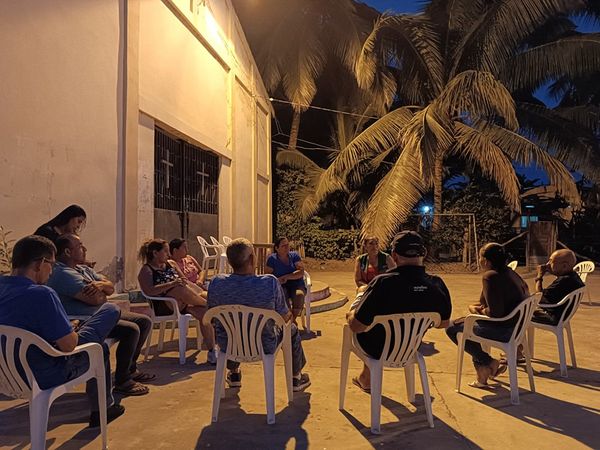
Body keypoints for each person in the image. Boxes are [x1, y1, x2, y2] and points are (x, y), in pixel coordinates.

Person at [0, 235, 124, 428]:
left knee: (99, 347)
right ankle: (102, 410)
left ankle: (104, 408)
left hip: (7, 374)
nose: (51, 271)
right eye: (51, 264)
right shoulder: (42, 294)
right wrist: (72, 331)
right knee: (110, 311)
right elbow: (69, 346)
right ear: (40, 263)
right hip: (46, 373)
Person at [47, 234, 154, 396]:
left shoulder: (82, 269)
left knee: (144, 321)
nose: (85, 249)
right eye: (80, 246)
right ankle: (123, 380)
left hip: (101, 313)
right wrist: (103, 291)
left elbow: (110, 287)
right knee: (131, 330)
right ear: (68, 252)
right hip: (85, 320)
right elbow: (96, 299)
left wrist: (102, 286)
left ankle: (130, 369)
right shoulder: (63, 274)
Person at [346, 231, 452, 392]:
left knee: (362, 322)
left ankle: (366, 378)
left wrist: (352, 312)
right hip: (410, 348)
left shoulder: (382, 284)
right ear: (424, 253)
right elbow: (443, 323)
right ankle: (366, 377)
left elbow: (356, 326)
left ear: (394, 256)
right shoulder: (436, 284)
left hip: (375, 349)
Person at [208, 238, 310, 391]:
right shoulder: (269, 283)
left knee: (230, 330)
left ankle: (234, 373)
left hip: (228, 346)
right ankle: (296, 377)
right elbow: (285, 318)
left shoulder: (216, 283)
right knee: (292, 329)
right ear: (251, 259)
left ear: (229, 261)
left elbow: (211, 317)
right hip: (264, 345)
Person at [446, 243, 530, 387]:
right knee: (468, 325)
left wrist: (476, 310)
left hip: (504, 331)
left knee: (452, 328)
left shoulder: (491, 276)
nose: (479, 260)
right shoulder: (511, 273)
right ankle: (483, 373)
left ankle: (489, 363)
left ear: (486, 261)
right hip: (517, 329)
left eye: (479, 257)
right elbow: (485, 302)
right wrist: (480, 307)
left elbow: (495, 313)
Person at [137, 238, 216, 364]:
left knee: (205, 314)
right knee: (178, 289)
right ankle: (211, 305)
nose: (168, 254)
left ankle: (212, 351)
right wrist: (171, 284)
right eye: (165, 251)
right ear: (155, 253)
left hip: (185, 302)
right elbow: (149, 291)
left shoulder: (171, 264)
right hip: (166, 305)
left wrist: (193, 288)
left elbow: (184, 280)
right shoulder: (146, 270)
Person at [532, 249, 585, 325]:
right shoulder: (573, 276)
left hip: (553, 316)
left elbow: (539, 296)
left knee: (520, 314)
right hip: (562, 314)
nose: (547, 264)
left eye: (551, 261)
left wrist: (539, 276)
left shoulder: (564, 280)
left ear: (564, 266)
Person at [265, 237, 305, 321]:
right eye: (283, 246)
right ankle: (290, 321)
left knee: (299, 295)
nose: (287, 247)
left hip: (296, 284)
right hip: (280, 285)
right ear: (277, 248)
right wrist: (278, 280)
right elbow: (268, 276)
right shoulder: (272, 259)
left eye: (287, 245)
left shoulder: (294, 256)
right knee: (282, 296)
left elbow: (301, 272)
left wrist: (286, 277)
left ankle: (291, 321)